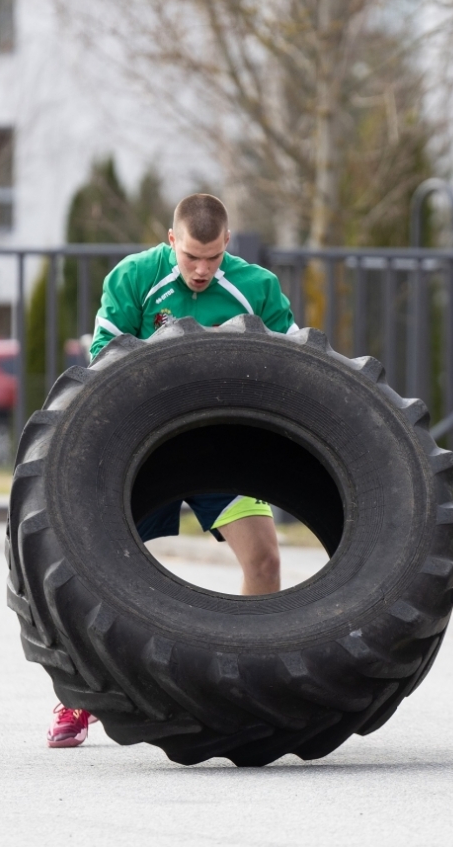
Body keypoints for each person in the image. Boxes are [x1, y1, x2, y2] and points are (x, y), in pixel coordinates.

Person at [46, 192, 298, 748]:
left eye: (212, 257)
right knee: (93, 568)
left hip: (219, 452)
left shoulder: (256, 288)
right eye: (191, 258)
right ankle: (76, 702)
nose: (202, 270)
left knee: (264, 558)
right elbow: (105, 363)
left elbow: (292, 367)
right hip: (144, 450)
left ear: (226, 244)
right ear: (171, 243)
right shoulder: (134, 279)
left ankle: (244, 686)